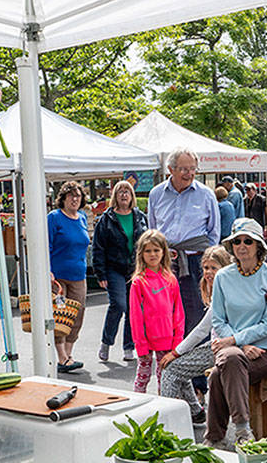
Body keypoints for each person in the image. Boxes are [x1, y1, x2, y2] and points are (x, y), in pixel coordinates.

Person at [204, 217, 267, 447]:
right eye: (237, 241)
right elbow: (218, 319)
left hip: (264, 350)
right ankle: (241, 429)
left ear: (259, 246)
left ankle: (215, 437)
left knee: (221, 373)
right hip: (232, 349)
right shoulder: (222, 277)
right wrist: (239, 345)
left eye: (248, 241)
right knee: (229, 361)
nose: (242, 246)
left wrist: (235, 340)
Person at [147, 148, 219, 337]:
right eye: (184, 169)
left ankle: (195, 351)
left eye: (193, 169)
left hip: (195, 260)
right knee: (165, 309)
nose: (190, 174)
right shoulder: (156, 194)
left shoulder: (206, 194)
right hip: (166, 261)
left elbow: (214, 232)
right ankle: (170, 349)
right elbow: (152, 229)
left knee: (196, 309)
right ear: (171, 169)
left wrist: (208, 263)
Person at [160, 246, 233, 425]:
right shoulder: (220, 287)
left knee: (170, 370)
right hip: (219, 345)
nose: (208, 273)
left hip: (222, 347)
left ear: (224, 268)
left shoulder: (224, 290)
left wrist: (175, 352)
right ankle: (195, 411)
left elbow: (202, 329)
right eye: (206, 268)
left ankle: (163, 423)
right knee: (179, 368)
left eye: (213, 268)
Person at [92, 180, 147, 363]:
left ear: (132, 196)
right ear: (115, 196)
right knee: (119, 305)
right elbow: (98, 247)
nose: (124, 194)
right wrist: (100, 273)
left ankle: (129, 346)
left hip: (135, 269)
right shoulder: (106, 219)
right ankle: (106, 343)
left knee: (134, 308)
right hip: (113, 268)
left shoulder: (139, 217)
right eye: (120, 191)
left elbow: (147, 242)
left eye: (127, 191)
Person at [129, 229, 183, 394]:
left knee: (165, 379)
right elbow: (135, 317)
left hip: (167, 341)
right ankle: (135, 410)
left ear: (163, 252)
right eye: (148, 251)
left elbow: (178, 313)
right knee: (143, 377)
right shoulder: (138, 282)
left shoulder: (170, 279)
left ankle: (163, 411)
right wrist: (141, 345)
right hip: (146, 341)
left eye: (156, 250)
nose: (152, 254)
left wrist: (177, 342)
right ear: (141, 254)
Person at [48, 180, 90, 374]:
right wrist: (47, 269)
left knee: (78, 314)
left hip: (79, 275)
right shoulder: (54, 217)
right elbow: (46, 243)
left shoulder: (82, 218)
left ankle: (69, 354)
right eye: (71, 195)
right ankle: (62, 357)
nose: (75, 199)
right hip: (58, 277)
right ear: (63, 198)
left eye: (78, 196)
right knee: (60, 316)